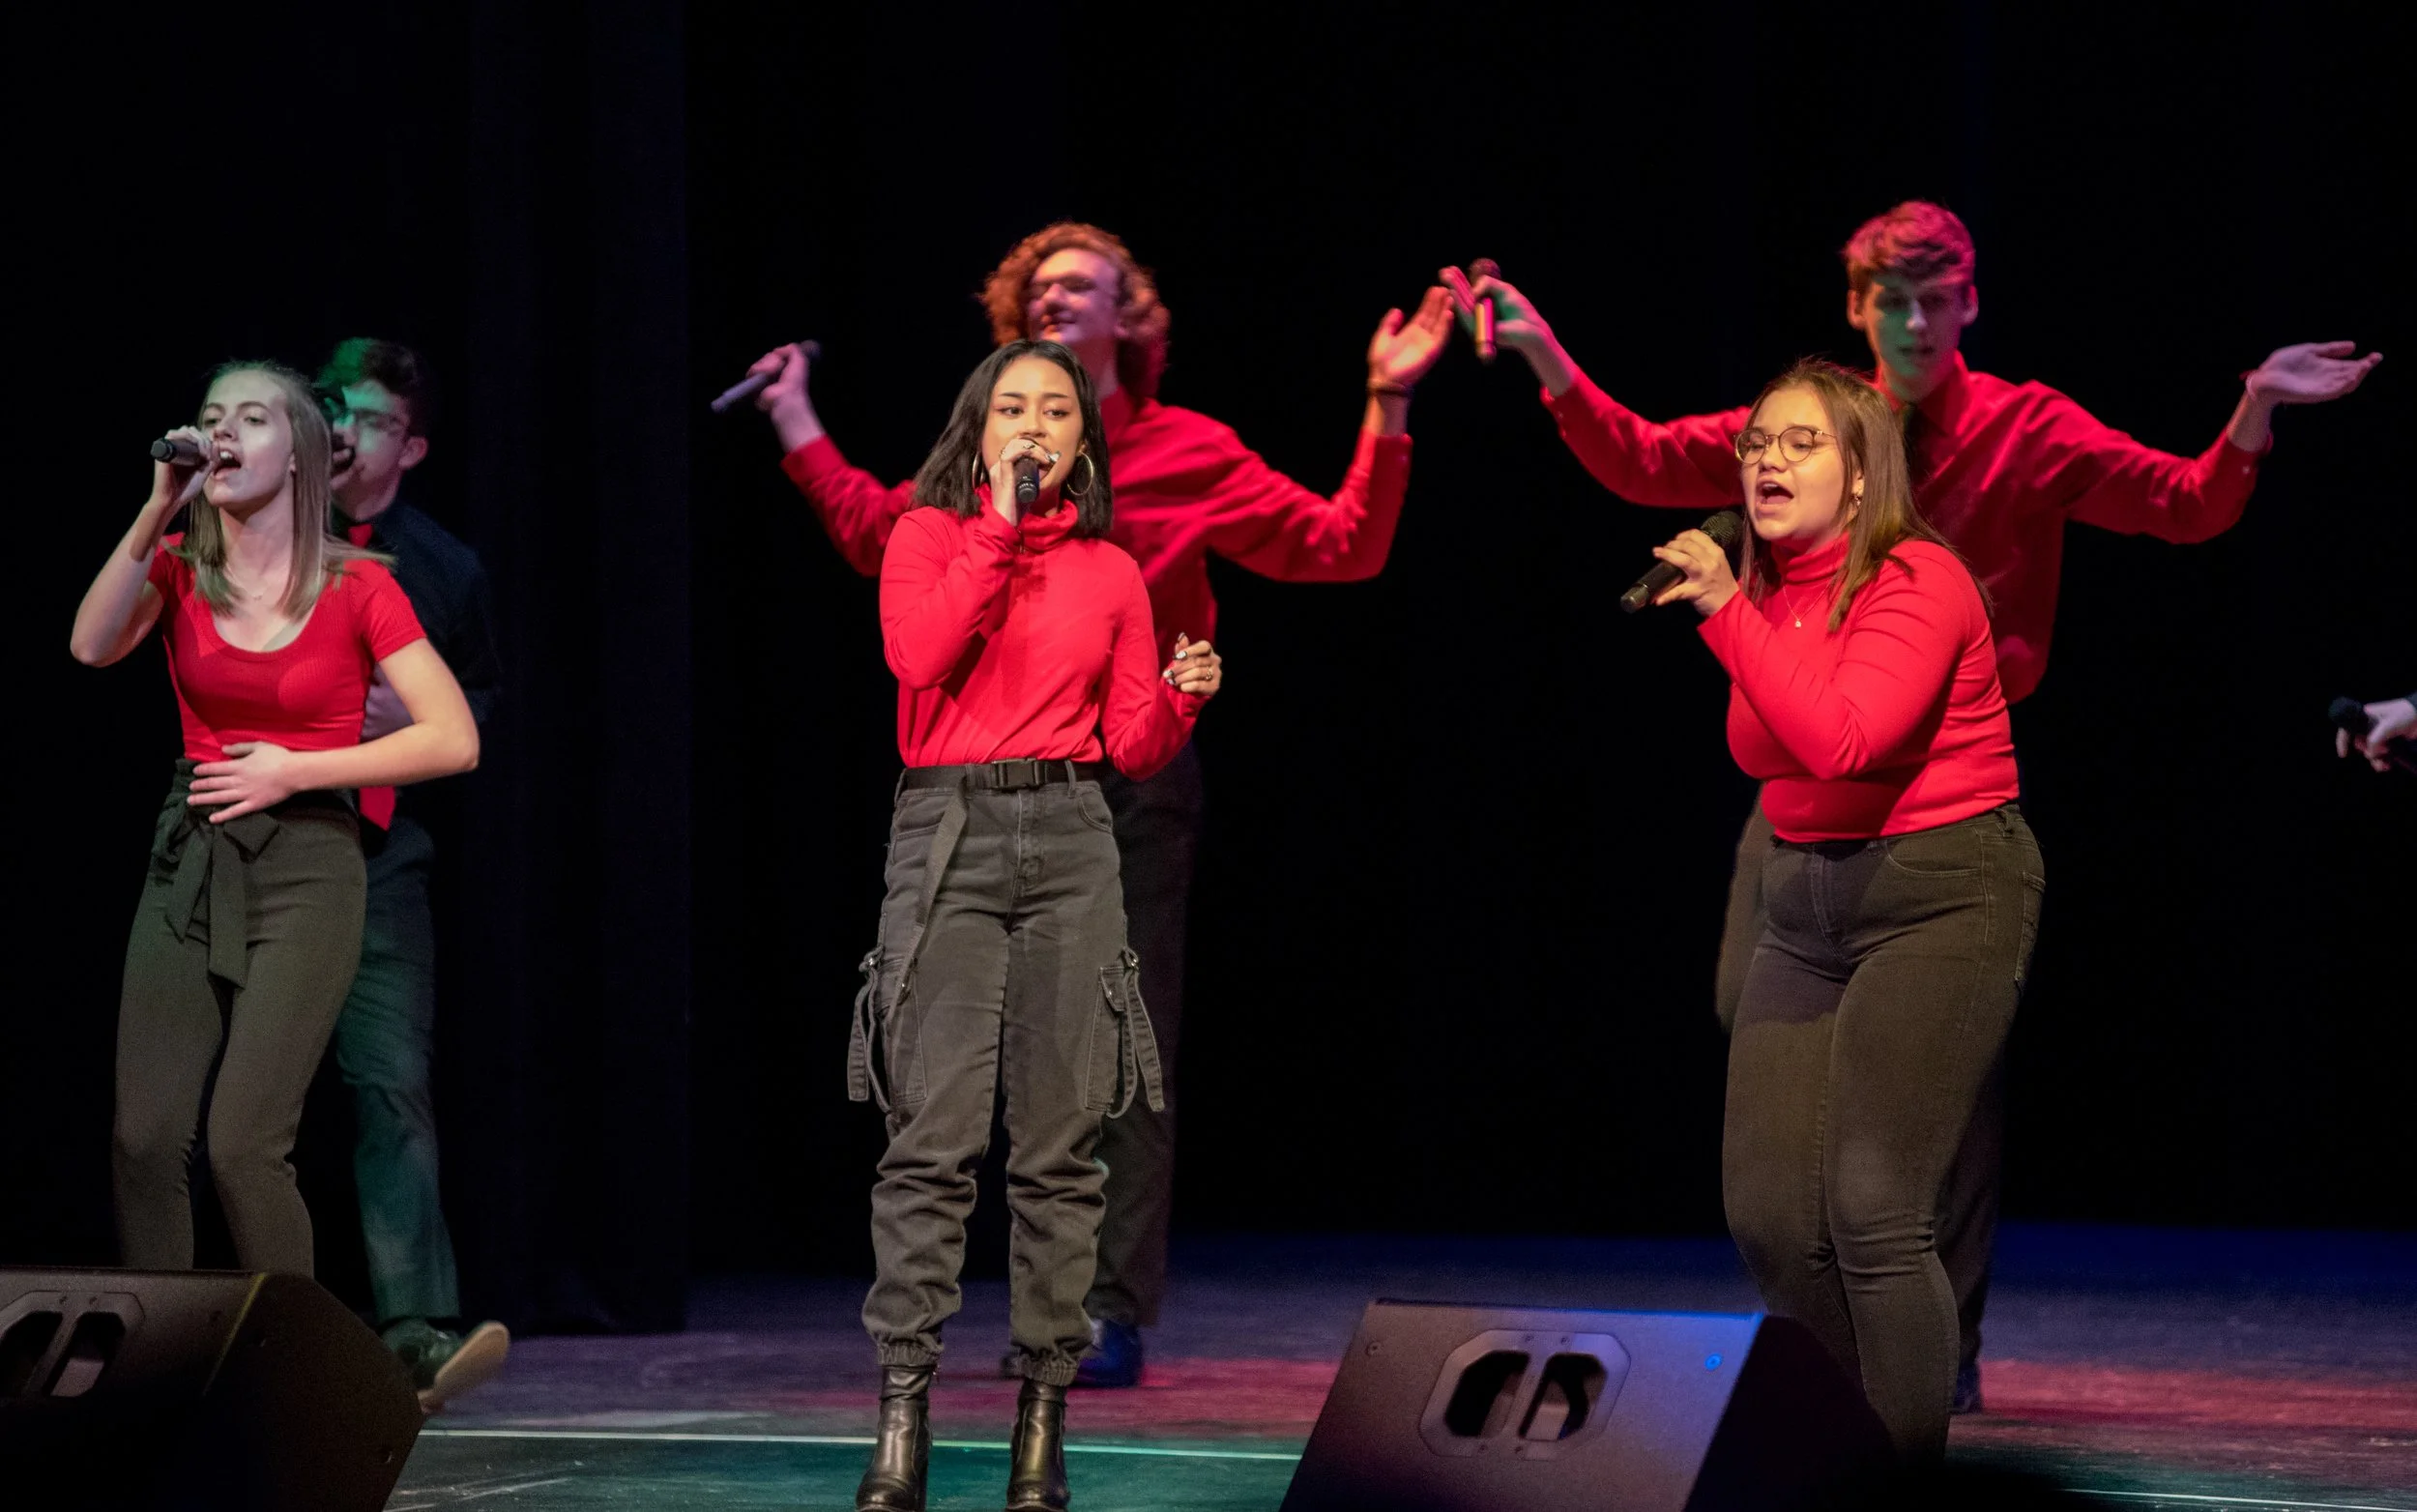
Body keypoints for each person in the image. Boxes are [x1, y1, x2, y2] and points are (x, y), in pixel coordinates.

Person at [1445, 202, 2379, 1409]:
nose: (1916, 321)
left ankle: (1932, 1340)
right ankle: (1849, 1343)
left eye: (1938, 299)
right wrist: (1540, 352)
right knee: (1767, 1043)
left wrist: (2251, 406)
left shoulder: (2020, 435)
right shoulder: (1810, 426)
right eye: (1893, 299)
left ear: (1970, 304)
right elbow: (1637, 455)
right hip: (1805, 784)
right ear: (1857, 308)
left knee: (1930, 1101)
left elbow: (2187, 500)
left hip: (1938, 793)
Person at [753, 222, 1449, 1385]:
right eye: (1036, 290)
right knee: (948, 1054)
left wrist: (1387, 407)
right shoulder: (976, 462)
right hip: (970, 784)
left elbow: (1342, 547)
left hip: (1122, 778)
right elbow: (888, 541)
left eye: (1082, 285)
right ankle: (936, 1318)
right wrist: (795, 424)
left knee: (1110, 1044)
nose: (1054, 299)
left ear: (1129, 320)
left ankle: (1101, 1307)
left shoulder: (1187, 452)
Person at [1647, 358, 2041, 1463]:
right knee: (1771, 1216)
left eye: (1799, 443)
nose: (1766, 461)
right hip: (1806, 894)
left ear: (1863, 473)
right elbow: (1770, 748)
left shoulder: (1918, 578)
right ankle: (1830, 1454)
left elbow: (1844, 739)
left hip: (1939, 891)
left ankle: (1895, 1475)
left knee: (1875, 1211)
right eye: (1756, 443)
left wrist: (1726, 609)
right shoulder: (1774, 588)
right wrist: (1743, 607)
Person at [851, 339, 1220, 1512]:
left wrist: (1179, 697)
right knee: (933, 1142)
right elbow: (916, 654)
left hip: (1071, 839)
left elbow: (1131, 746)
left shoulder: (1114, 570)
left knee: (1062, 1149)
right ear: (978, 429)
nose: (1034, 426)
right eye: (1012, 407)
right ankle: (902, 1410)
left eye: (1055, 411)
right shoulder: (926, 538)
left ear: (1081, 441)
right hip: (948, 832)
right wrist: (998, 533)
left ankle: (1040, 1418)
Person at [72, 361, 480, 1290]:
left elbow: (453, 739)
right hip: (193, 852)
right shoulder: (177, 569)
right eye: (212, 414)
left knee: (243, 1144)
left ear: (297, 454)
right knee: (144, 1141)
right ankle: (162, 1376)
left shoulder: (361, 587)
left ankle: (290, 1382)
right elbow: (89, 645)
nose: (221, 432)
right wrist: (156, 512)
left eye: (251, 419)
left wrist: (299, 768)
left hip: (309, 860)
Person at [318, 338, 510, 1410]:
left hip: (378, 853)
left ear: (413, 446)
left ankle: (411, 1329)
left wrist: (422, 721)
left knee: (391, 1079)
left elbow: (482, 702)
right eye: (335, 406)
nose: (349, 430)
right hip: (247, 840)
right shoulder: (258, 532)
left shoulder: (441, 566)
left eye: (375, 418)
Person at [2336, 692, 2415, 771]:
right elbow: (2342, 752)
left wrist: (2373, 757)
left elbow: (2377, 753)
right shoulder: (2367, 709)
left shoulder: (2376, 737)